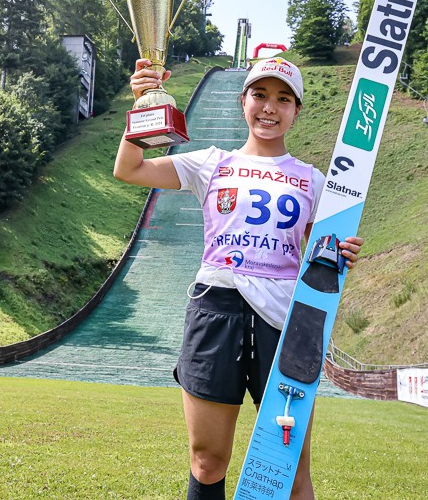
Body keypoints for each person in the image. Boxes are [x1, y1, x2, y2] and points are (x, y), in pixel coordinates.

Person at [114, 57, 363, 500]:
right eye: (260, 95)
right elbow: (130, 169)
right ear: (242, 101)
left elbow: (324, 254)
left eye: (283, 99)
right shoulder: (211, 162)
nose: (269, 107)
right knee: (207, 461)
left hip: (285, 324)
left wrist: (342, 251)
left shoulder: (313, 180)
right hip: (216, 310)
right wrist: (142, 107)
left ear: (296, 111)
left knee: (288, 469)